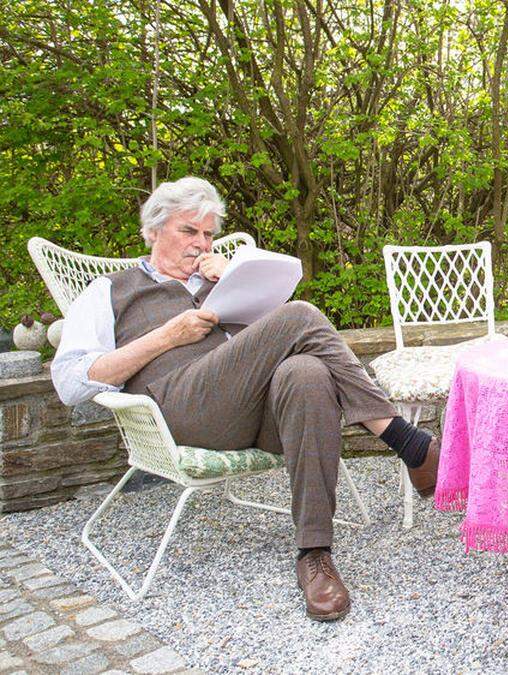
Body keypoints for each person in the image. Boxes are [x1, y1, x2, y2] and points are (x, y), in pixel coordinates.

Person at [52, 176, 440, 622]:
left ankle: (314, 554)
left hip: (252, 414)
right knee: (301, 315)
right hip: (179, 411)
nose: (200, 244)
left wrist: (231, 282)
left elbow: (284, 344)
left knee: (307, 372)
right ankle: (409, 443)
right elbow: (69, 384)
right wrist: (165, 337)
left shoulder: (218, 280)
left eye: (208, 234)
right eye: (188, 231)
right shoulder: (110, 290)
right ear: (154, 230)